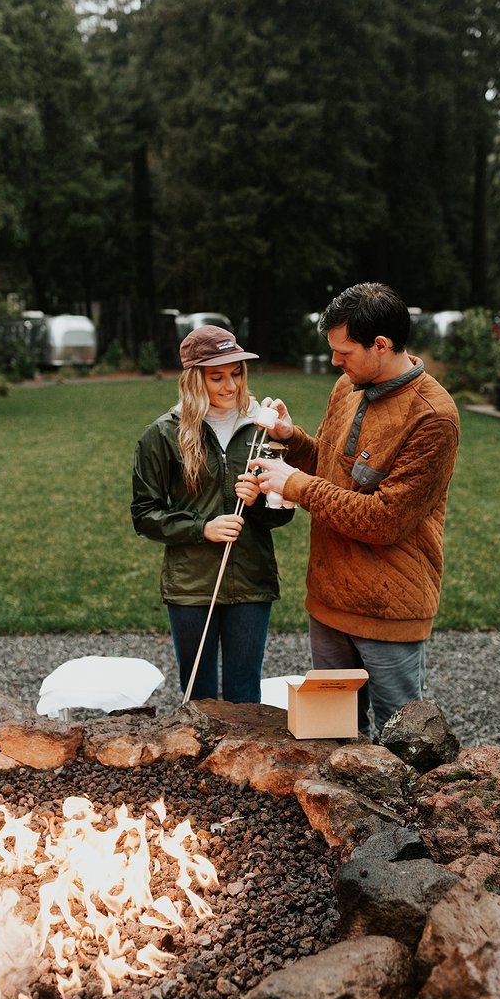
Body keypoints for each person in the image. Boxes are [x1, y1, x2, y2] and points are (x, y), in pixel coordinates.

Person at [252, 282, 460, 737]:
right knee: (332, 734)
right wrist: (293, 439)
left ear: (381, 345)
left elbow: (385, 520)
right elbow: (330, 465)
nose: (334, 362)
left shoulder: (433, 417)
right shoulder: (348, 386)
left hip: (389, 611)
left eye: (344, 351)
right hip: (327, 600)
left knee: (399, 744)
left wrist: (297, 486)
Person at [131, 324, 294, 703]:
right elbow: (144, 514)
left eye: (236, 373)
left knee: (244, 694)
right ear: (193, 380)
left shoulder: (261, 428)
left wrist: (256, 501)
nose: (230, 386)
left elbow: (280, 515)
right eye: (216, 377)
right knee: (198, 696)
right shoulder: (161, 435)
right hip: (191, 585)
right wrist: (203, 528)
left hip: (252, 581)